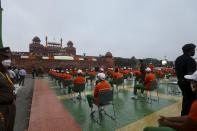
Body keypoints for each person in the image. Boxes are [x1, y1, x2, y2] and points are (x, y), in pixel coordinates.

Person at [175, 43, 196, 116]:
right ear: (190, 50)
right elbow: (191, 76)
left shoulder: (178, 59)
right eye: (194, 50)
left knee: (186, 100)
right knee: (191, 102)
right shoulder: (190, 60)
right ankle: (189, 118)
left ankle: (183, 115)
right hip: (188, 84)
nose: (194, 51)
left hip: (181, 83)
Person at [0, 47, 16, 131]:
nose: (8, 60)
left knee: (9, 127)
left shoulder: (5, 72)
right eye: (5, 57)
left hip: (10, 106)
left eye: (9, 58)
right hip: (2, 109)